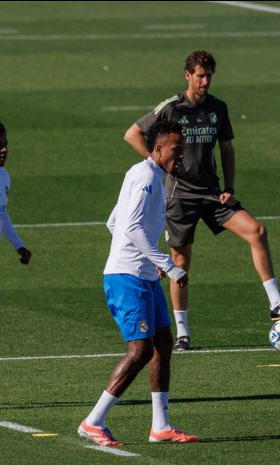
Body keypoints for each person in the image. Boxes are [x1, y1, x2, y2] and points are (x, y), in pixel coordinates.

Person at [124, 50, 280, 352]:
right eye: (200, 76)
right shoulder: (171, 108)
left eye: (209, 76)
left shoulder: (218, 108)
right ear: (188, 76)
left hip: (212, 193)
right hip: (180, 195)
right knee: (180, 262)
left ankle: (276, 304)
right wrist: (157, 163)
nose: (205, 81)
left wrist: (229, 187)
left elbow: (227, 150)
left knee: (257, 231)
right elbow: (132, 134)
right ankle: (182, 333)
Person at [78, 120, 199, 446]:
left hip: (140, 275)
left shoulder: (147, 175)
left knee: (162, 343)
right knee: (141, 350)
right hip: (126, 278)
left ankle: (161, 426)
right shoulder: (147, 178)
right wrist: (166, 264)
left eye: (182, 149)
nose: (181, 155)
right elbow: (130, 227)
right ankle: (93, 421)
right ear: (157, 149)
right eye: (176, 149)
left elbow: (113, 222)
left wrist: (147, 261)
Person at [0, 120, 32, 413]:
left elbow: (2, 215)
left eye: (4, 144)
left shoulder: (3, 177)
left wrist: (18, 245)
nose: (3, 150)